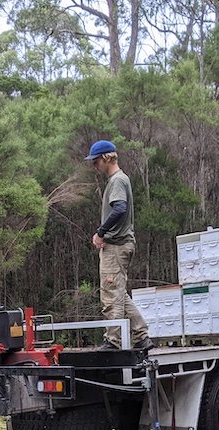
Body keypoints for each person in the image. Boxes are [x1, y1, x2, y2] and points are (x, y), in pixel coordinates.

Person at [85, 139, 154, 352]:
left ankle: (112, 341)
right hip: (121, 244)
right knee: (120, 293)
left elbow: (119, 208)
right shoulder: (120, 179)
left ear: (106, 158)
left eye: (96, 161)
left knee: (110, 295)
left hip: (116, 246)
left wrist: (101, 232)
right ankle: (142, 336)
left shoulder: (116, 181)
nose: (94, 166)